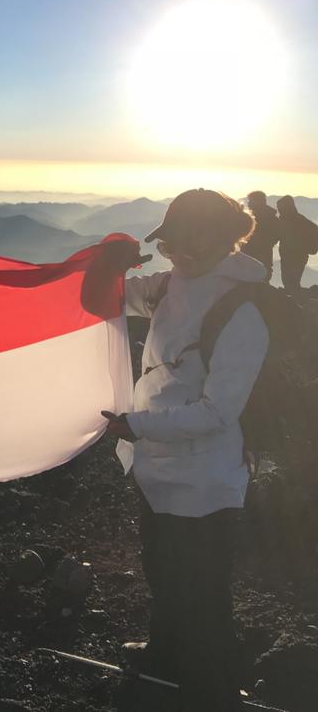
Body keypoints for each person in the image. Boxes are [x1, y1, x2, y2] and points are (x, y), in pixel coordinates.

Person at [103, 189, 269, 712]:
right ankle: (165, 654)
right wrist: (106, 265)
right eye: (170, 245)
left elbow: (219, 413)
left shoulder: (241, 310)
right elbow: (113, 298)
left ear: (223, 241)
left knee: (203, 590)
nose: (175, 255)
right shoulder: (175, 282)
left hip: (204, 480)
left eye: (184, 245)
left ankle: (213, 690)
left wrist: (137, 425)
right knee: (162, 569)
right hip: (158, 469)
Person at [277, 195, 318, 295]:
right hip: (290, 256)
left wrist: (310, 248)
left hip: (296, 257)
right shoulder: (290, 220)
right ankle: (296, 303)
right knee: (290, 283)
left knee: (291, 284)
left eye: (280, 208)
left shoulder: (296, 220)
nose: (279, 210)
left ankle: (297, 304)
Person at [240, 190, 279, 281]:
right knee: (263, 277)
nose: (248, 203)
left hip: (256, 255)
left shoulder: (257, 218)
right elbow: (276, 236)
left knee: (257, 279)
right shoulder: (271, 217)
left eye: (251, 201)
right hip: (263, 255)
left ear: (258, 202)